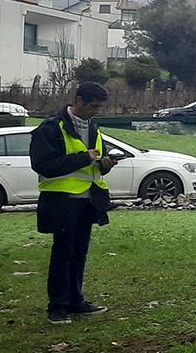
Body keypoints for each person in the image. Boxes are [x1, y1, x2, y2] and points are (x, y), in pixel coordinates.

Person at [30, 82, 117, 324]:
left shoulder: (94, 127)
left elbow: (94, 166)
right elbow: (43, 164)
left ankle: (76, 301)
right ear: (78, 100)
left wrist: (104, 165)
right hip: (62, 200)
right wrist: (82, 158)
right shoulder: (51, 127)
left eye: (99, 107)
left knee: (79, 254)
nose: (96, 111)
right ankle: (57, 307)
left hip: (89, 200)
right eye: (92, 106)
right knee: (63, 254)